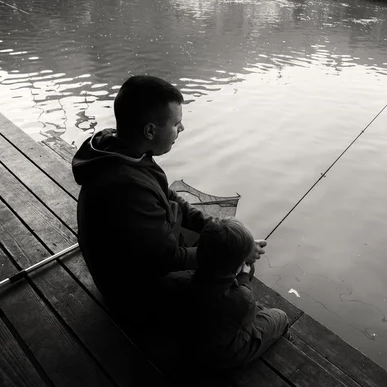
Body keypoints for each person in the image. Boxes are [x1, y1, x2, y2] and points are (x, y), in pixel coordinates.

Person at [71, 75, 265, 322]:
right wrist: (234, 255)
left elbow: (171, 197)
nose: (181, 129)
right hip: (134, 291)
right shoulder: (125, 188)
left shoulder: (123, 149)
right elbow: (167, 259)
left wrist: (216, 229)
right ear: (150, 130)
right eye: (176, 124)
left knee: (230, 237)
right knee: (235, 279)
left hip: (143, 253)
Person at [182, 217, 289, 370]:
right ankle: (284, 349)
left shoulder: (181, 280)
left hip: (191, 340)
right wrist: (244, 277)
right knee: (280, 316)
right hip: (221, 357)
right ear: (239, 264)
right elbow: (249, 314)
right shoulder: (242, 299)